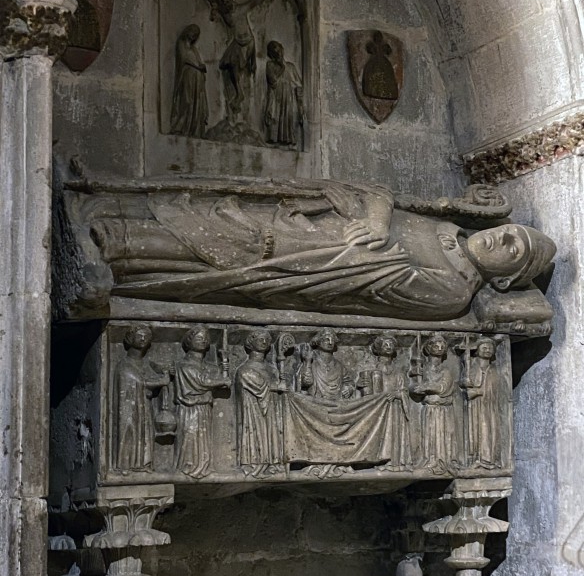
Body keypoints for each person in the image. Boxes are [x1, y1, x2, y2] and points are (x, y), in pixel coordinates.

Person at [78, 175, 556, 326]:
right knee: (209, 209)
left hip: (305, 256)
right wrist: (376, 218)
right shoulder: (445, 226)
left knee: (216, 246)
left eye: (512, 249)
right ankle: (101, 212)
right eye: (509, 232)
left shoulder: (453, 290)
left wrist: (369, 231)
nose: (500, 237)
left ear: (504, 279)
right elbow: (377, 193)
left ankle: (116, 251)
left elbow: (373, 280)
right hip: (310, 215)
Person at [181, 0, 278, 123]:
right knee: (228, 64)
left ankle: (239, 94)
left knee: (233, 62)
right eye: (221, 0)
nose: (225, 2)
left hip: (247, 43)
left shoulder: (241, 8)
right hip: (237, 43)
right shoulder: (223, 11)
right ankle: (239, 93)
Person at [174, 326, 230, 478]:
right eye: (199, 337)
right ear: (189, 341)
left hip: (204, 408)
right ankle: (186, 468)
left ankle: (204, 467)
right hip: (189, 408)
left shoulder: (208, 366)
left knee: (203, 439)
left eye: (205, 338)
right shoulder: (184, 365)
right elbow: (202, 381)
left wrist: (224, 365)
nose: (203, 340)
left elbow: (221, 381)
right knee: (190, 436)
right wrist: (221, 381)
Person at [114, 325, 169, 473]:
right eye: (139, 335)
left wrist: (165, 373)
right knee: (129, 429)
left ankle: (144, 464)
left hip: (144, 405)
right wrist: (160, 381)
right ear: (130, 338)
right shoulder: (124, 365)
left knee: (146, 430)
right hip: (128, 407)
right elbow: (138, 381)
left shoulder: (146, 364)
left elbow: (151, 378)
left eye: (146, 336)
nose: (143, 338)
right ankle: (125, 465)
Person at [234, 329, 280, 475]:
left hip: (272, 408)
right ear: (250, 343)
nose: (264, 341)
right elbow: (247, 377)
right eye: (260, 339)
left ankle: (273, 461)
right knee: (255, 431)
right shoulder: (244, 369)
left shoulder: (271, 369)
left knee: (272, 431)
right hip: (253, 410)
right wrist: (275, 386)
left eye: (267, 339)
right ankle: (254, 462)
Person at [411, 334, 456, 472]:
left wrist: (427, 387)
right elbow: (414, 388)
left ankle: (443, 461)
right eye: (436, 346)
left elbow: (444, 387)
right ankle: (429, 460)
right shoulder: (422, 369)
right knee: (429, 435)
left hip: (442, 409)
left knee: (442, 435)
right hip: (429, 408)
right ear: (428, 348)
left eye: (442, 346)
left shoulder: (445, 370)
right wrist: (415, 388)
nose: (439, 348)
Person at [369, 335, 412, 469]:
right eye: (385, 344)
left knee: (394, 433)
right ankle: (378, 460)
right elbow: (369, 395)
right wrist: (362, 385)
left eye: (391, 345)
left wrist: (397, 394)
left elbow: (404, 391)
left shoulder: (399, 372)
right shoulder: (373, 370)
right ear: (378, 348)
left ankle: (394, 461)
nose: (389, 347)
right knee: (378, 433)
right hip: (378, 409)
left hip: (395, 408)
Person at [459, 337, 500, 468]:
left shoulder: (493, 370)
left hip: (488, 406)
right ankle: (474, 458)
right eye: (484, 348)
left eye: (490, 348)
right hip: (473, 405)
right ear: (477, 350)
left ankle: (487, 460)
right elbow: (465, 382)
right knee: (473, 430)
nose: (487, 350)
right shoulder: (472, 366)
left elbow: (494, 389)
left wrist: (478, 391)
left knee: (486, 429)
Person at [170, 24, 208, 138]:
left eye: (196, 34)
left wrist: (201, 67)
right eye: (193, 32)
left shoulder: (194, 49)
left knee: (197, 101)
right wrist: (197, 67)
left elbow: (199, 62)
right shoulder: (181, 44)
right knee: (187, 100)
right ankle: (181, 126)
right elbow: (184, 58)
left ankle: (195, 129)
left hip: (198, 79)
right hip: (187, 76)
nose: (193, 35)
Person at [264, 40, 303, 145]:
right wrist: (281, 67)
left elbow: (298, 84)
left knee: (287, 116)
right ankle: (274, 138)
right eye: (275, 52)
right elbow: (273, 81)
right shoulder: (270, 65)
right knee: (276, 115)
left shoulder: (291, 67)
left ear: (282, 49)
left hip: (288, 96)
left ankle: (287, 139)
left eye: (279, 50)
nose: (278, 54)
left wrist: (301, 107)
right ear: (271, 54)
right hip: (276, 97)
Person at [299, 328, 354, 400]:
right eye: (327, 339)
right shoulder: (312, 362)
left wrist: (349, 389)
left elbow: (349, 382)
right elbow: (305, 383)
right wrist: (308, 361)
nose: (330, 343)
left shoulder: (339, 366)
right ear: (318, 342)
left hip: (336, 402)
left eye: (332, 340)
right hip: (316, 402)